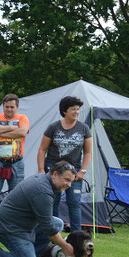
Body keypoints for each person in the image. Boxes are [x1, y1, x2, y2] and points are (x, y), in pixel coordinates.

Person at [0, 161, 76, 257]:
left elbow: (48, 222)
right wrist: (65, 246)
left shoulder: (45, 181)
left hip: (22, 224)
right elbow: (48, 227)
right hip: (9, 228)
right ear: (54, 174)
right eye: (67, 180)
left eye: (71, 181)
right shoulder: (43, 190)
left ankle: (32, 256)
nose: (69, 185)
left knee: (58, 223)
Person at [37, 96, 92, 232]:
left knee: (74, 203)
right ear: (64, 111)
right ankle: (53, 233)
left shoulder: (84, 128)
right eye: (73, 109)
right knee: (52, 202)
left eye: (78, 109)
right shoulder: (54, 127)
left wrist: (83, 171)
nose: (76, 112)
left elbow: (88, 153)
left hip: (74, 171)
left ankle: (77, 236)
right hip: (54, 170)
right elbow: (42, 149)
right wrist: (40, 169)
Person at [0, 93, 29, 198]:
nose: (9, 109)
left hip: (16, 162)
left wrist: (0, 132)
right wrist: (13, 127)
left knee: (17, 196)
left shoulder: (23, 118)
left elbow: (22, 132)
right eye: (6, 107)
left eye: (12, 107)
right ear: (3, 106)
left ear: (17, 107)